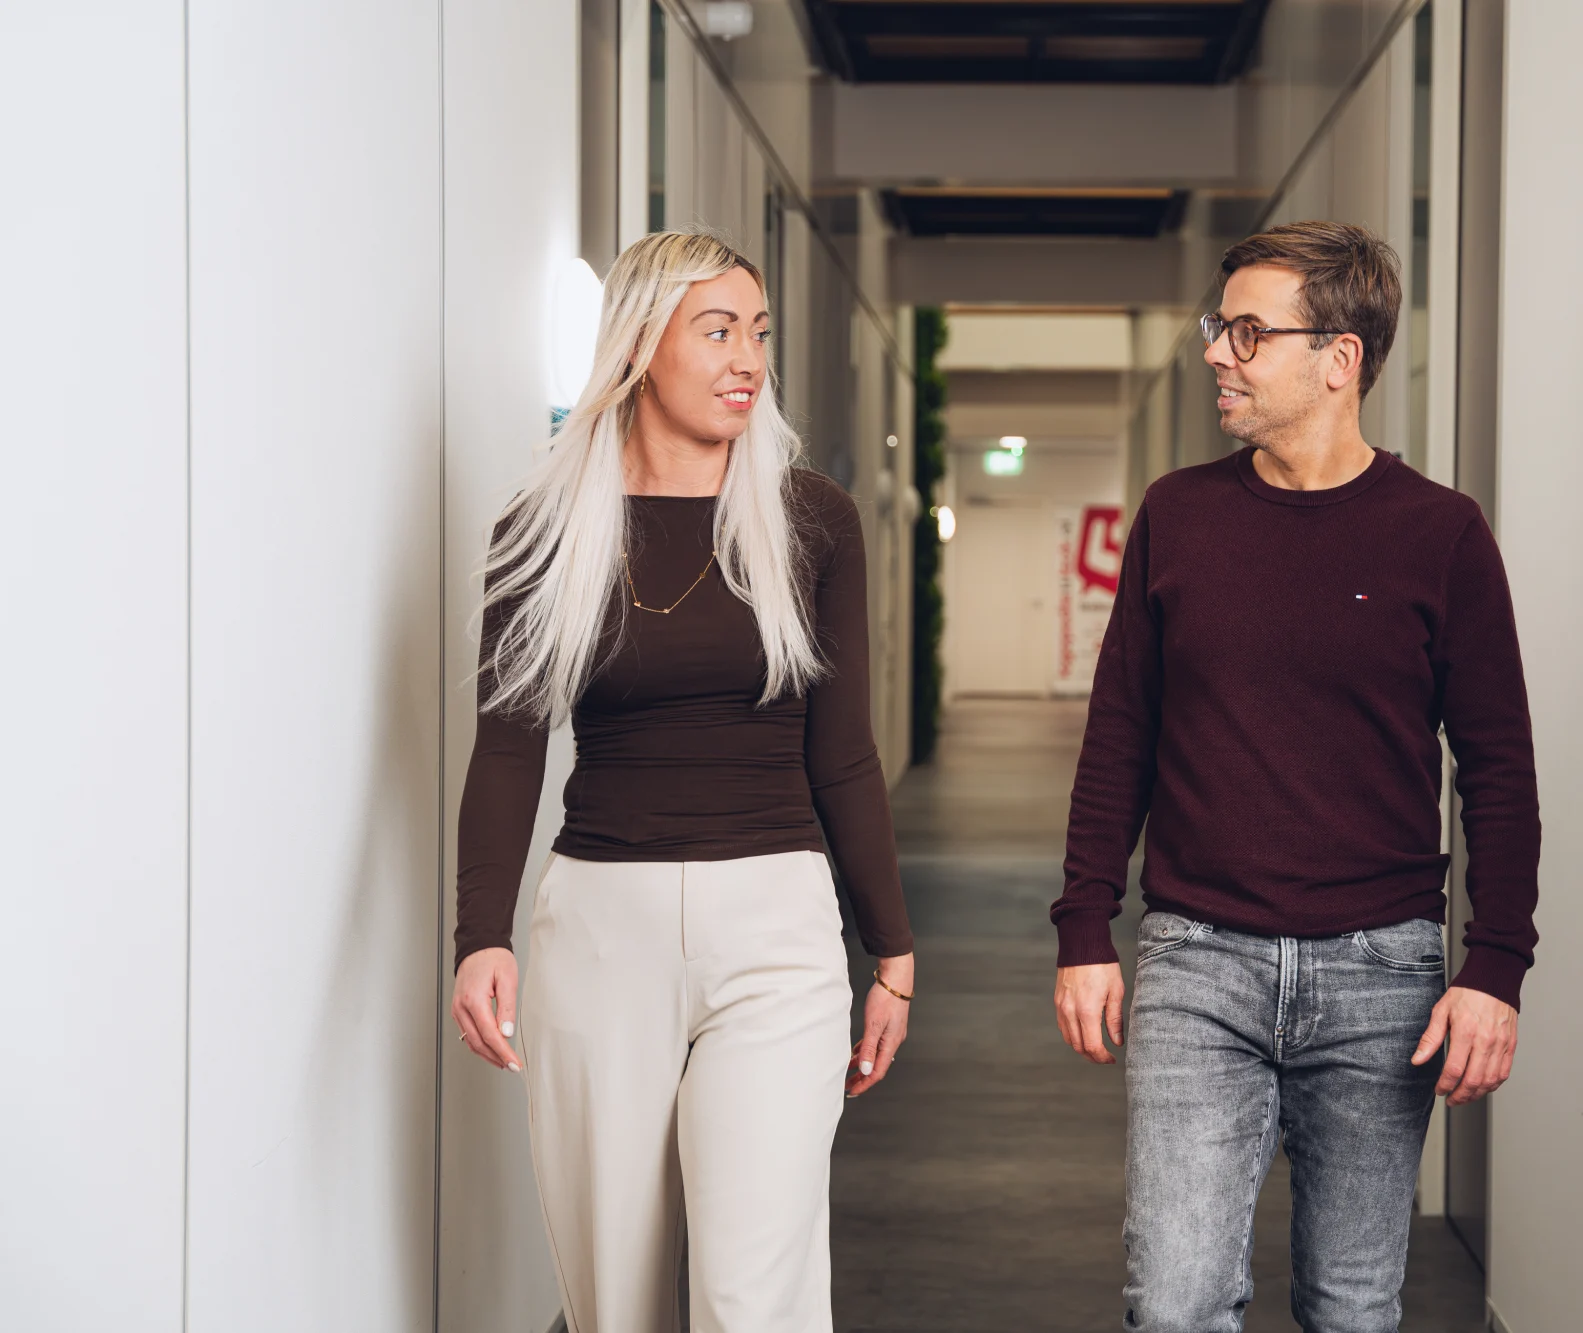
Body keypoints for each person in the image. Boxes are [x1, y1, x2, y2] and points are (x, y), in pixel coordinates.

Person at [1050, 221, 1540, 1332]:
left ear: (1338, 359)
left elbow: (1498, 773)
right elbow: (1119, 732)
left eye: (1245, 332)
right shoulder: (1178, 515)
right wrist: (1083, 923)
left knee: (1350, 1307)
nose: (1214, 352)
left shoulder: (1440, 535)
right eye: (1216, 327)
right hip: (1196, 960)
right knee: (1173, 1303)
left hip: (1382, 975)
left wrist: (1494, 966)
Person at [449, 230, 914, 1333]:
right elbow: (508, 744)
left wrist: (889, 950)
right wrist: (481, 934)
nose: (746, 358)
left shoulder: (810, 520)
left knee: (751, 1296)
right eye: (716, 331)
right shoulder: (543, 528)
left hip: (777, 927)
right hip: (600, 928)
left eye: (757, 332)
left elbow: (842, 751)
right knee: (618, 1297)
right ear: (638, 345)